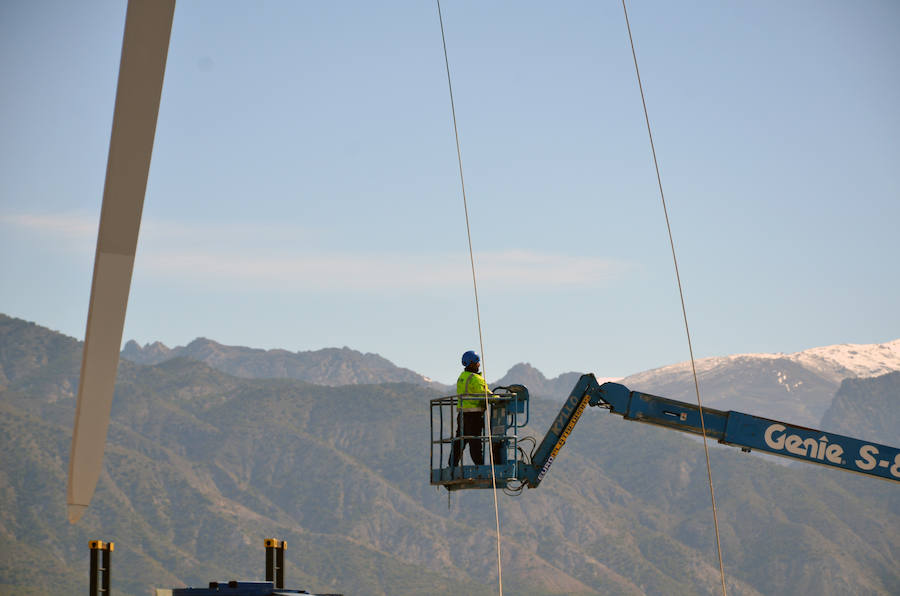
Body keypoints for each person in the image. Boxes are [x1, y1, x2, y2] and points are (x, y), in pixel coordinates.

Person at [450, 350, 490, 467]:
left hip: (462, 414)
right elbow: (486, 394)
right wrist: (499, 398)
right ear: (472, 362)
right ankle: (479, 465)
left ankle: (452, 463)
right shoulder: (476, 379)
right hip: (474, 415)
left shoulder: (462, 377)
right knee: (475, 441)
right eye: (477, 361)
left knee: (460, 440)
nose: (479, 364)